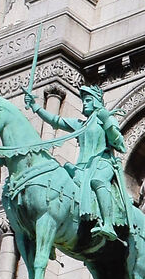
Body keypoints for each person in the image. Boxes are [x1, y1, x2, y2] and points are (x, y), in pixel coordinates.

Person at [25, 84, 129, 248]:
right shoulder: (81, 124)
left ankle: (108, 224)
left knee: (97, 181)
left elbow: (120, 144)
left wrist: (107, 120)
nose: (84, 104)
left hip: (102, 163)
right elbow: (56, 121)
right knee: (61, 175)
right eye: (83, 100)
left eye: (88, 100)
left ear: (96, 102)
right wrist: (35, 106)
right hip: (82, 166)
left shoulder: (106, 119)